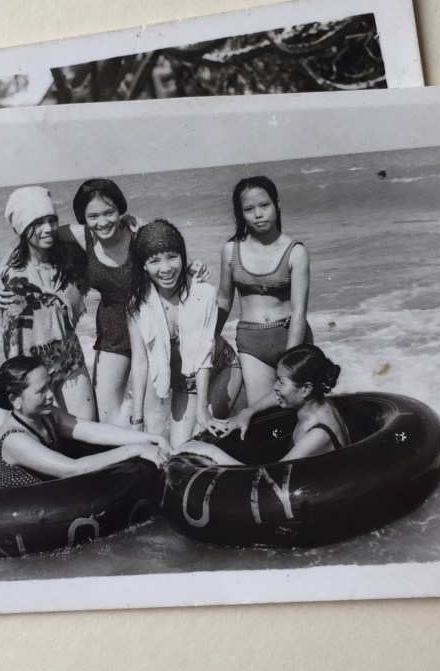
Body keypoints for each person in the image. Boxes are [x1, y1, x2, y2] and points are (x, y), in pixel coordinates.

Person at [0, 178, 207, 426]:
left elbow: (168, 257)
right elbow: (28, 237)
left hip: (150, 322)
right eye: (93, 215)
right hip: (112, 326)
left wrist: (192, 269)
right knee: (105, 417)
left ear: (120, 211)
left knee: (154, 410)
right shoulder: (82, 236)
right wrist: (0, 269)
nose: (102, 222)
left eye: (110, 213)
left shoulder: (140, 233)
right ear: (84, 218)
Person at [126, 220, 241, 447]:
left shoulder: (202, 293)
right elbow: (140, 363)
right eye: (154, 261)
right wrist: (136, 419)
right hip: (182, 383)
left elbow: (204, 355)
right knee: (178, 449)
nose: (166, 268)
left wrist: (202, 411)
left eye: (172, 256)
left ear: (183, 256)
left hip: (220, 368)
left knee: (200, 437)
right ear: (143, 266)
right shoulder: (137, 305)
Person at [0, 356, 170, 488]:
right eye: (41, 391)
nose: (51, 394)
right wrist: (136, 449)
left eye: (49, 385)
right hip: (13, 514)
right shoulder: (14, 440)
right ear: (15, 400)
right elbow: (72, 469)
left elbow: (95, 431)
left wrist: (150, 438)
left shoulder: (48, 416)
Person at [0, 186, 95, 420]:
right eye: (38, 223)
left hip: (70, 358)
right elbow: (13, 343)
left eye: (52, 220)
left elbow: (101, 234)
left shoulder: (67, 258)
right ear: (23, 228)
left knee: (87, 428)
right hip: (33, 372)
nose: (48, 229)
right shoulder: (13, 280)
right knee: (50, 436)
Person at [215, 175, 312, 408]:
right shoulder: (231, 251)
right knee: (264, 413)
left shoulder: (295, 251)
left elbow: (299, 311)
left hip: (290, 337)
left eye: (264, 205)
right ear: (241, 214)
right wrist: (210, 338)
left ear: (277, 204)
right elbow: (224, 299)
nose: (258, 214)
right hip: (252, 343)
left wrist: (291, 361)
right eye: (249, 209)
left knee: (298, 408)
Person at [186, 344, 349, 466]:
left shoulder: (319, 435)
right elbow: (276, 396)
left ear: (306, 388)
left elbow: (268, 476)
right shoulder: (319, 402)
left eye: (281, 382)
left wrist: (207, 451)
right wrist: (248, 412)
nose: (275, 386)